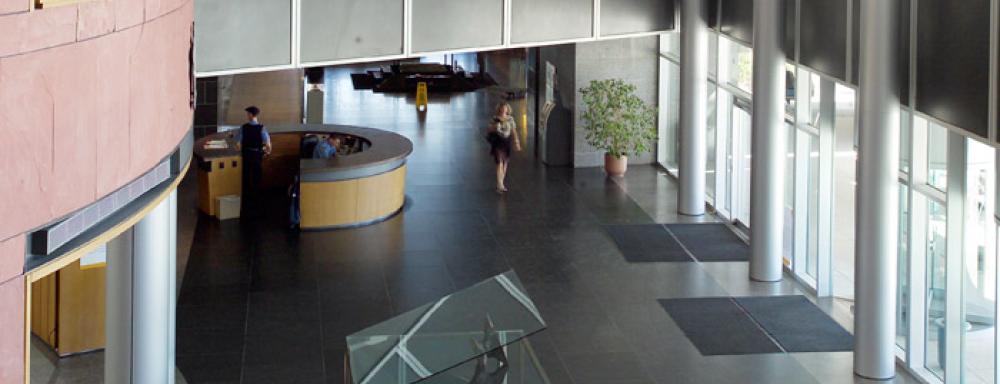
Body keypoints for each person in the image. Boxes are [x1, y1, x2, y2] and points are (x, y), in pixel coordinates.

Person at [232, 106, 272, 219]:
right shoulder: (262, 128)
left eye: (247, 113)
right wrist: (267, 152)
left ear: (250, 115)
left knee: (245, 177)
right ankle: (256, 202)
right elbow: (267, 144)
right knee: (256, 177)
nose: (247, 115)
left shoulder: (243, 127)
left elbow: (236, 142)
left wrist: (239, 149)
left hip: (246, 155)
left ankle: (246, 203)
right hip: (257, 155)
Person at [486, 102, 520, 193]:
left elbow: (513, 131)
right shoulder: (495, 119)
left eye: (505, 108)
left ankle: (501, 183)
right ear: (499, 109)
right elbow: (489, 129)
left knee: (505, 163)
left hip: (506, 142)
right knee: (499, 162)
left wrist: (516, 142)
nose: (503, 110)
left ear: (507, 109)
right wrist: (495, 127)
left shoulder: (510, 119)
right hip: (498, 142)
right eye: (502, 108)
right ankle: (500, 184)